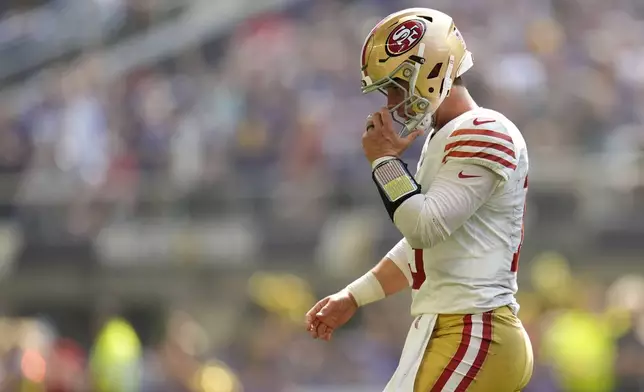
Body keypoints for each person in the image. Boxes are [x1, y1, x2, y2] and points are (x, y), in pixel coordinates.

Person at [305, 8, 533, 391]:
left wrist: (384, 162)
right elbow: (419, 249)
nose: (392, 101)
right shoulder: (445, 137)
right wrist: (353, 296)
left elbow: (424, 227)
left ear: (428, 71)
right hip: (453, 328)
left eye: (396, 85)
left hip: (475, 329)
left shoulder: (483, 129)